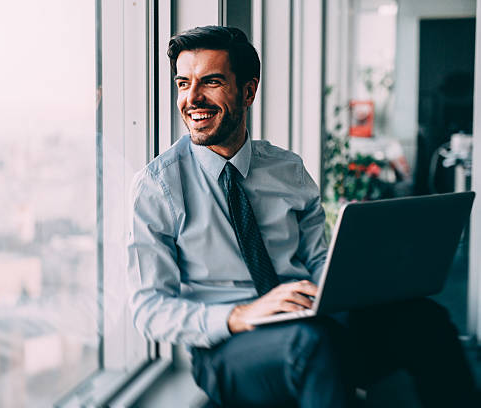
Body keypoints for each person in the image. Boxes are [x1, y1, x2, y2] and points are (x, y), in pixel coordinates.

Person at [126, 25, 477, 407]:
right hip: (228, 348)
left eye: (210, 82)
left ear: (248, 91)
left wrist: (354, 282)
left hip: (310, 321)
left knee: (425, 320)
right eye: (182, 83)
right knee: (314, 347)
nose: (192, 98)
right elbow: (149, 309)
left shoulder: (286, 169)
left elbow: (316, 258)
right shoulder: (157, 186)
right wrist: (240, 315)